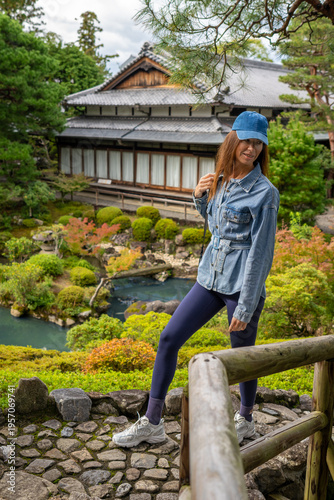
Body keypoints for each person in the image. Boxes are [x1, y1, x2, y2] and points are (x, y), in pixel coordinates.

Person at [112, 111, 280, 447]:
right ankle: (153, 422)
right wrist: (200, 198)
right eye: (246, 140)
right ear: (233, 140)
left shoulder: (265, 193)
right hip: (209, 277)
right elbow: (216, 226)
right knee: (169, 338)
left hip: (239, 286)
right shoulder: (219, 178)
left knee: (243, 355)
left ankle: (246, 418)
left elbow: (260, 254)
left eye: (258, 143)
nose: (251, 148)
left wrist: (245, 306)